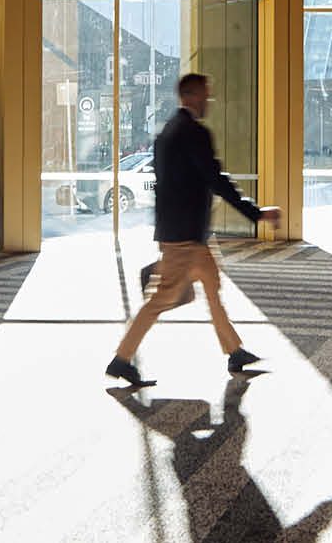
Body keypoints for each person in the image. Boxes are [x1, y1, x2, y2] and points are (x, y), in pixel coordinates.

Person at [106, 73, 280, 386]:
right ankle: (122, 358)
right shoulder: (193, 133)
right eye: (205, 96)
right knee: (160, 300)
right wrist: (257, 213)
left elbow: (167, 188)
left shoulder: (166, 133)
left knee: (212, 286)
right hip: (185, 238)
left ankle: (234, 350)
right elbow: (217, 180)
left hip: (185, 234)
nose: (208, 102)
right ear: (192, 96)